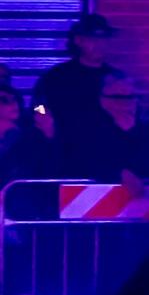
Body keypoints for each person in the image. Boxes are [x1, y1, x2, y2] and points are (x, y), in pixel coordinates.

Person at [28, 14, 119, 177]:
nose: (99, 44)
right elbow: (38, 103)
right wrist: (44, 117)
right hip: (65, 156)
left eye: (104, 39)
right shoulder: (57, 76)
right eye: (93, 38)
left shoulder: (116, 78)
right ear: (78, 40)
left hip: (105, 157)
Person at [80, 74, 149, 187]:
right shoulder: (88, 131)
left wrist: (132, 133)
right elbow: (86, 166)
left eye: (131, 97)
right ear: (103, 100)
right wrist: (118, 174)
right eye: (118, 97)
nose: (125, 103)